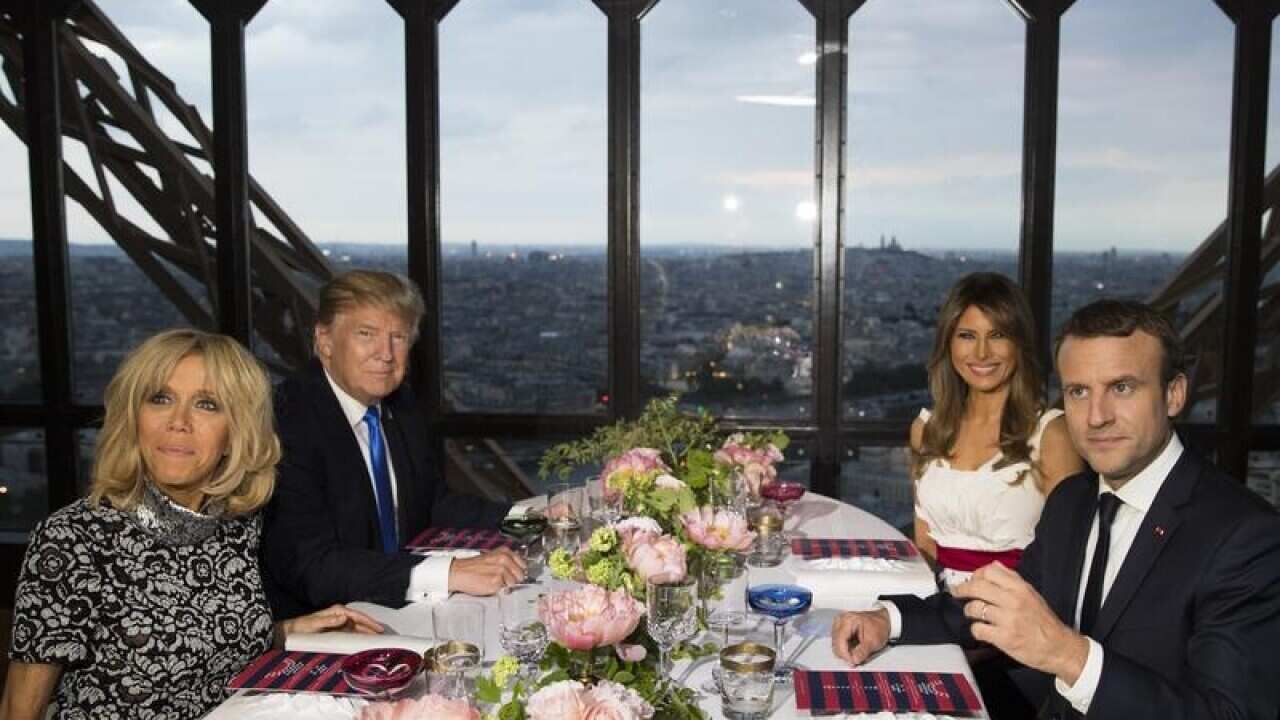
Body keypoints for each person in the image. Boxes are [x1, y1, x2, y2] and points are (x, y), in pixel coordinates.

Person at [832, 300, 1280, 719]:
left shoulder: (1245, 536)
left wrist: (1069, 656)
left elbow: (1229, 713)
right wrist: (889, 619)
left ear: (1174, 394)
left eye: (1121, 387)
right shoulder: (1073, 501)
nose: (1096, 416)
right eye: (1079, 392)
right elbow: (1004, 606)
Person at [0, 329, 381, 720]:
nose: (178, 422)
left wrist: (291, 631)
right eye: (160, 399)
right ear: (133, 418)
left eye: (207, 404)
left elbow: (202, 640)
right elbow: (19, 709)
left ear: (236, 433)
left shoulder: (237, 524)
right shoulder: (71, 539)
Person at [261, 270, 524, 620]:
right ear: (324, 340)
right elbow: (312, 566)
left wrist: (526, 518)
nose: (385, 354)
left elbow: (432, 502)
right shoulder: (288, 422)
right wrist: (448, 573)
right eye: (366, 334)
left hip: (398, 602)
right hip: (328, 622)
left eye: (398, 337)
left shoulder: (399, 405)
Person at [911, 273, 1083, 590]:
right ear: (948, 344)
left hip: (1017, 615)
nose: (981, 353)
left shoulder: (1052, 435)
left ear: (1019, 343)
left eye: (997, 335)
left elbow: (1066, 562)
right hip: (935, 611)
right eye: (966, 335)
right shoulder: (927, 429)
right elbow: (924, 543)